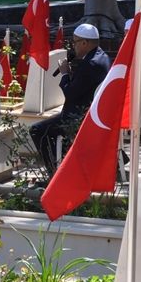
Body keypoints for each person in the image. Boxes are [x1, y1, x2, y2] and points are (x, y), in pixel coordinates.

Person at [29, 22, 110, 176]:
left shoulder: (90, 64)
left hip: (80, 117)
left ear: (85, 43)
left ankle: (56, 174)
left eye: (75, 42)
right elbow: (83, 86)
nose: (74, 46)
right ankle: (67, 165)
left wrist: (65, 74)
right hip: (90, 111)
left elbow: (71, 93)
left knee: (37, 130)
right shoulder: (102, 56)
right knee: (51, 128)